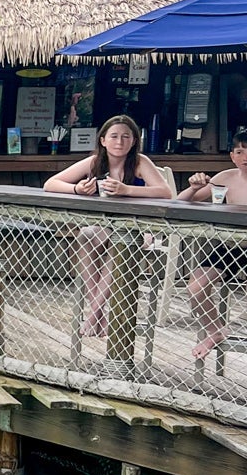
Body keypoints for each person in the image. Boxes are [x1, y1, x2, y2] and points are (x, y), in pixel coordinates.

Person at [43, 115, 173, 336]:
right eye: (114, 136)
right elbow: (51, 183)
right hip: (102, 225)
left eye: (126, 137)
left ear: (134, 141)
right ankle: (99, 313)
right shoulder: (94, 162)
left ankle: (93, 314)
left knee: (117, 244)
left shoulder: (140, 162)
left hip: (137, 228)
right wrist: (77, 189)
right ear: (103, 140)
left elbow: (165, 192)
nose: (119, 142)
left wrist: (127, 190)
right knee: (84, 235)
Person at [177, 127, 247, 358]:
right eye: (240, 152)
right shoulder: (225, 178)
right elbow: (180, 202)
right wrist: (194, 188)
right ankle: (215, 330)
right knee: (195, 286)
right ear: (232, 156)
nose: (245, 157)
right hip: (231, 246)